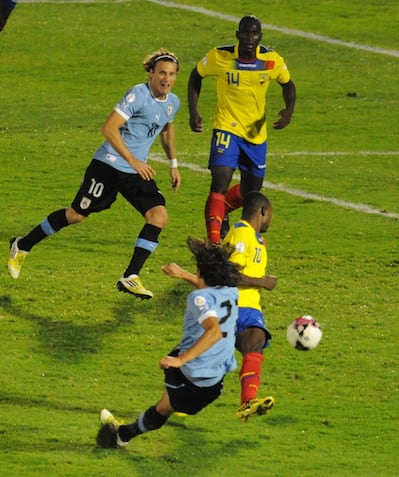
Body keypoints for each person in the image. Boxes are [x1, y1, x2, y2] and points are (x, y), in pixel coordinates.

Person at [8, 48, 181, 299]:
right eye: (162, 73)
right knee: (76, 215)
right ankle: (22, 245)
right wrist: (133, 160)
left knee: (158, 215)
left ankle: (130, 276)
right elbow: (109, 128)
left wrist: (173, 163)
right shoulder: (137, 95)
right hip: (108, 165)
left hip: (134, 170)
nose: (167, 79)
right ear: (151, 73)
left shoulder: (172, 102)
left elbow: (166, 129)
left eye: (172, 74)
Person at [96, 237, 241, 448]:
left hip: (190, 377)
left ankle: (122, 436)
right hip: (214, 382)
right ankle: (123, 435)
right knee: (166, 404)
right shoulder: (231, 292)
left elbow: (214, 332)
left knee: (164, 404)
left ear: (201, 272)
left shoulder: (198, 298)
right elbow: (210, 291)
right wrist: (183, 275)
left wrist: (180, 360)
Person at [163, 191, 276, 421]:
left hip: (249, 308)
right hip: (234, 308)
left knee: (255, 344)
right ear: (262, 211)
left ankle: (247, 402)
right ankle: (177, 401)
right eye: (270, 214)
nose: (270, 220)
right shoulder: (242, 234)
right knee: (214, 364)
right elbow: (230, 276)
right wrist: (262, 281)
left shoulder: (255, 238)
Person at [187, 15, 296, 244]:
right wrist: (193, 111)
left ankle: (223, 212)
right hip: (226, 128)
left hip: (256, 135)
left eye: (254, 34)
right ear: (238, 35)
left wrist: (288, 110)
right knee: (220, 180)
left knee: (251, 192)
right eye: (245, 33)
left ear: (260, 37)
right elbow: (196, 76)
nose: (249, 38)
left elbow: (288, 84)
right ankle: (214, 241)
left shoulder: (270, 60)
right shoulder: (221, 56)